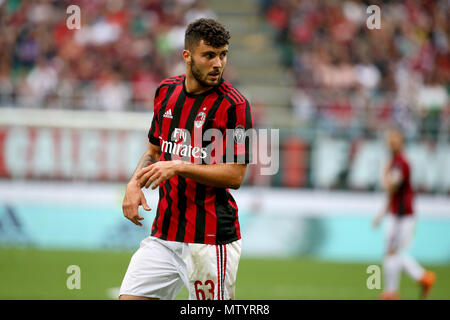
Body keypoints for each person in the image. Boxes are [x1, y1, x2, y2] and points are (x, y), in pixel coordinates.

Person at [119, 18, 253, 300]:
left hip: (210, 241)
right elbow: (154, 151)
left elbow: (236, 175)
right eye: (209, 55)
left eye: (223, 54)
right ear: (187, 56)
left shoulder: (234, 106)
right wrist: (134, 184)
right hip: (164, 234)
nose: (218, 63)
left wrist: (179, 166)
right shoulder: (166, 92)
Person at [373, 129, 435, 300]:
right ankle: (404, 285)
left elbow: (391, 186)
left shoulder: (401, 163)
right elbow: (391, 194)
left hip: (403, 216)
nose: (390, 142)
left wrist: (384, 173)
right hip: (396, 214)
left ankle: (411, 282)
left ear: (400, 143)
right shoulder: (395, 162)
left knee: (393, 253)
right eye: (389, 139)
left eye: (393, 139)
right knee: (392, 252)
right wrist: (382, 213)